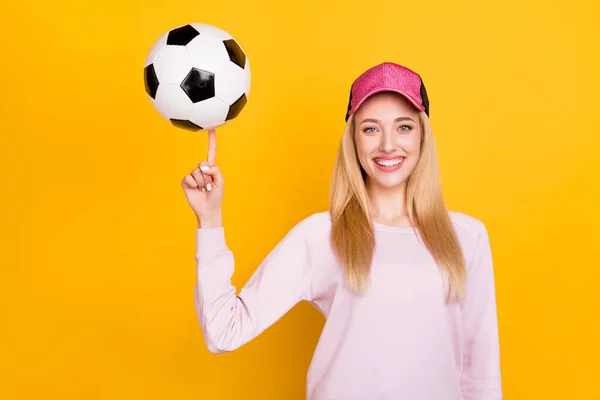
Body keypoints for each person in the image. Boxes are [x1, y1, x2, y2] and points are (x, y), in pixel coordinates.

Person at [181, 62, 502, 400]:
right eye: (371, 129)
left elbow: (481, 375)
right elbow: (224, 332)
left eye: (404, 127)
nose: (388, 145)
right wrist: (210, 219)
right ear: (353, 139)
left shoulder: (468, 238)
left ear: (423, 134)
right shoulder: (320, 236)